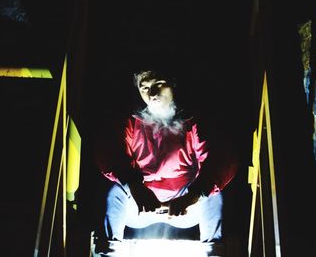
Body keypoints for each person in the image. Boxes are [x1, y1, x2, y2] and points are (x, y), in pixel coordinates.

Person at [92, 70, 239, 256]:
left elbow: (221, 158)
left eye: (158, 84)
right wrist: (134, 185)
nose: (152, 93)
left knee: (213, 195)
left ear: (173, 83)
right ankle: (109, 253)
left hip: (185, 206)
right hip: (139, 206)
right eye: (144, 87)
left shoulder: (192, 123)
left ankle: (213, 253)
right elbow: (109, 151)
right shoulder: (131, 122)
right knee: (114, 190)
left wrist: (194, 195)